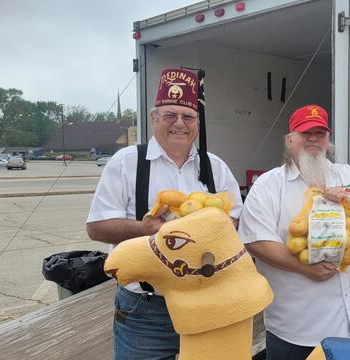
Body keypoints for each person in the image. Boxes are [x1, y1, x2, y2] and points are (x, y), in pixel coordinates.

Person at [86, 67, 243, 360]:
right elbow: (97, 227)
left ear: (197, 122)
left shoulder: (215, 167)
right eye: (170, 115)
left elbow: (235, 219)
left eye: (188, 116)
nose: (179, 124)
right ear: (153, 118)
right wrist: (147, 229)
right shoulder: (127, 163)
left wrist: (213, 228)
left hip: (206, 299)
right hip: (146, 309)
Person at [238, 104, 350, 360]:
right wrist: (303, 267)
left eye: (320, 133)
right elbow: (257, 241)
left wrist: (348, 204)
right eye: (306, 133)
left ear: (328, 140)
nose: (313, 139)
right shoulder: (269, 185)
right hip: (298, 330)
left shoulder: (347, 176)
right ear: (290, 140)